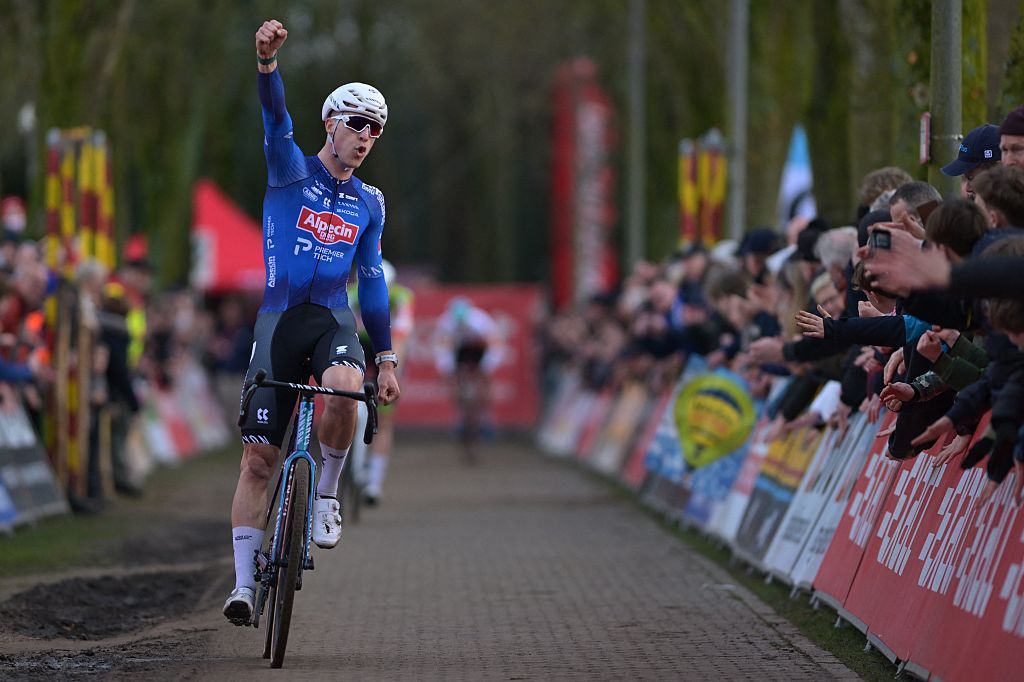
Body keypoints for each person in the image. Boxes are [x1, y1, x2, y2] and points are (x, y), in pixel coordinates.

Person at [223, 19, 401, 626]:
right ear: (330, 123)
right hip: (278, 323)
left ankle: (326, 495)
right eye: (357, 123)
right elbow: (275, 118)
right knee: (257, 463)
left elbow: (371, 281)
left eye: (376, 128)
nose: (366, 136)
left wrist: (385, 358)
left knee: (347, 388)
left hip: (331, 320)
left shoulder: (370, 203)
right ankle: (243, 586)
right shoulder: (288, 169)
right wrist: (266, 64)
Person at [347, 259, 413, 505]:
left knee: (384, 421)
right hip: (360, 343)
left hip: (387, 347)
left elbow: (401, 340)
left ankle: (374, 482)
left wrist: (393, 373)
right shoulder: (351, 294)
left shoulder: (402, 297)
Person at [433, 297, 502, 459]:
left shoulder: (481, 321)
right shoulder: (446, 323)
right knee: (456, 384)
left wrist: (485, 368)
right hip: (459, 351)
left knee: (483, 383)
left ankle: (485, 416)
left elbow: (495, 346)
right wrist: (448, 370)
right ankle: (461, 416)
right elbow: (443, 351)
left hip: (479, 350)